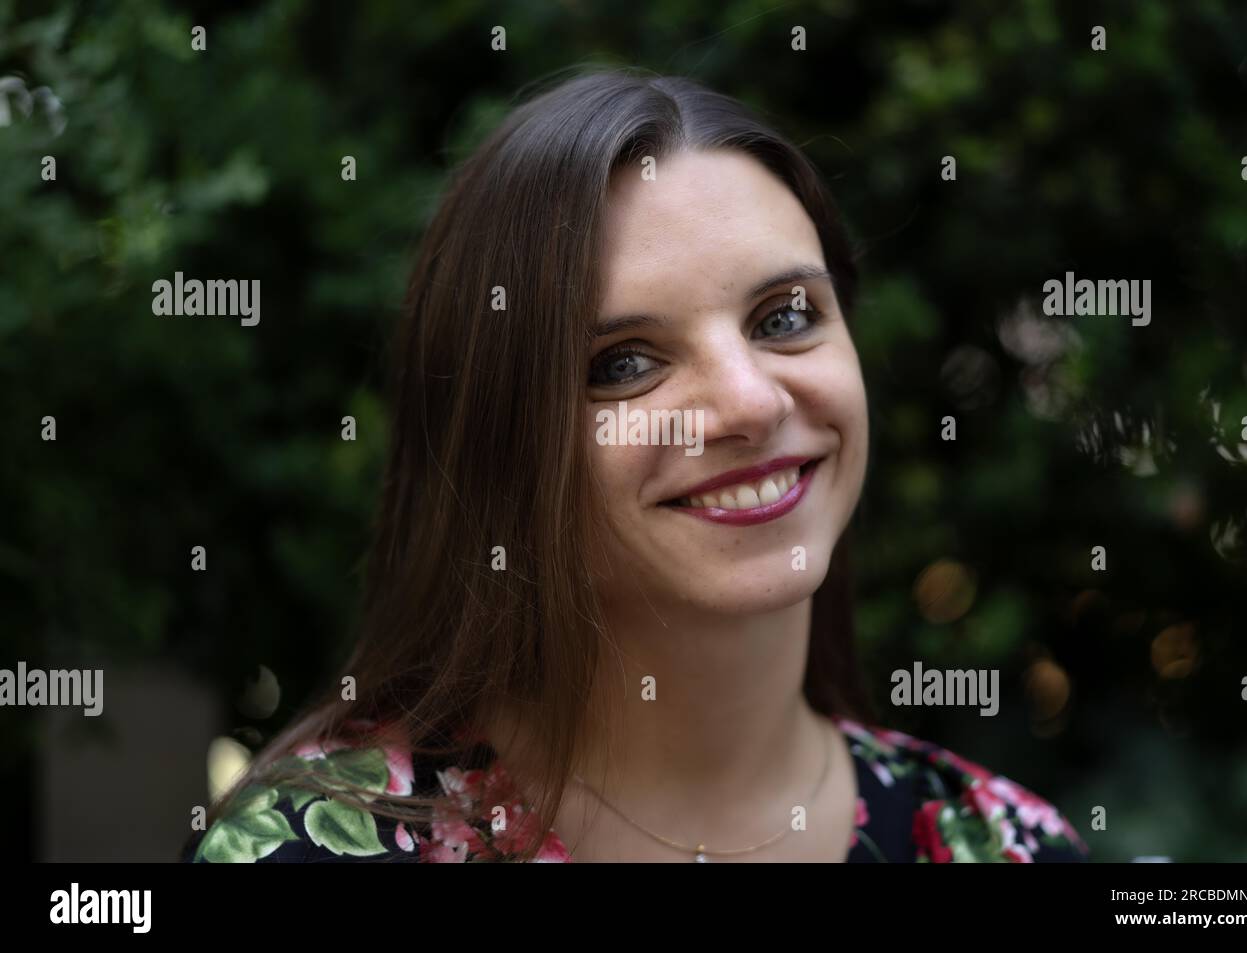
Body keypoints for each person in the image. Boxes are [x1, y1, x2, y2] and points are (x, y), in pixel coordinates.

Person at [182, 67, 1089, 864]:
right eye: (623, 363)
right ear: (501, 442)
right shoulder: (305, 853)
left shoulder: (1008, 844)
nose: (750, 403)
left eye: (783, 317)